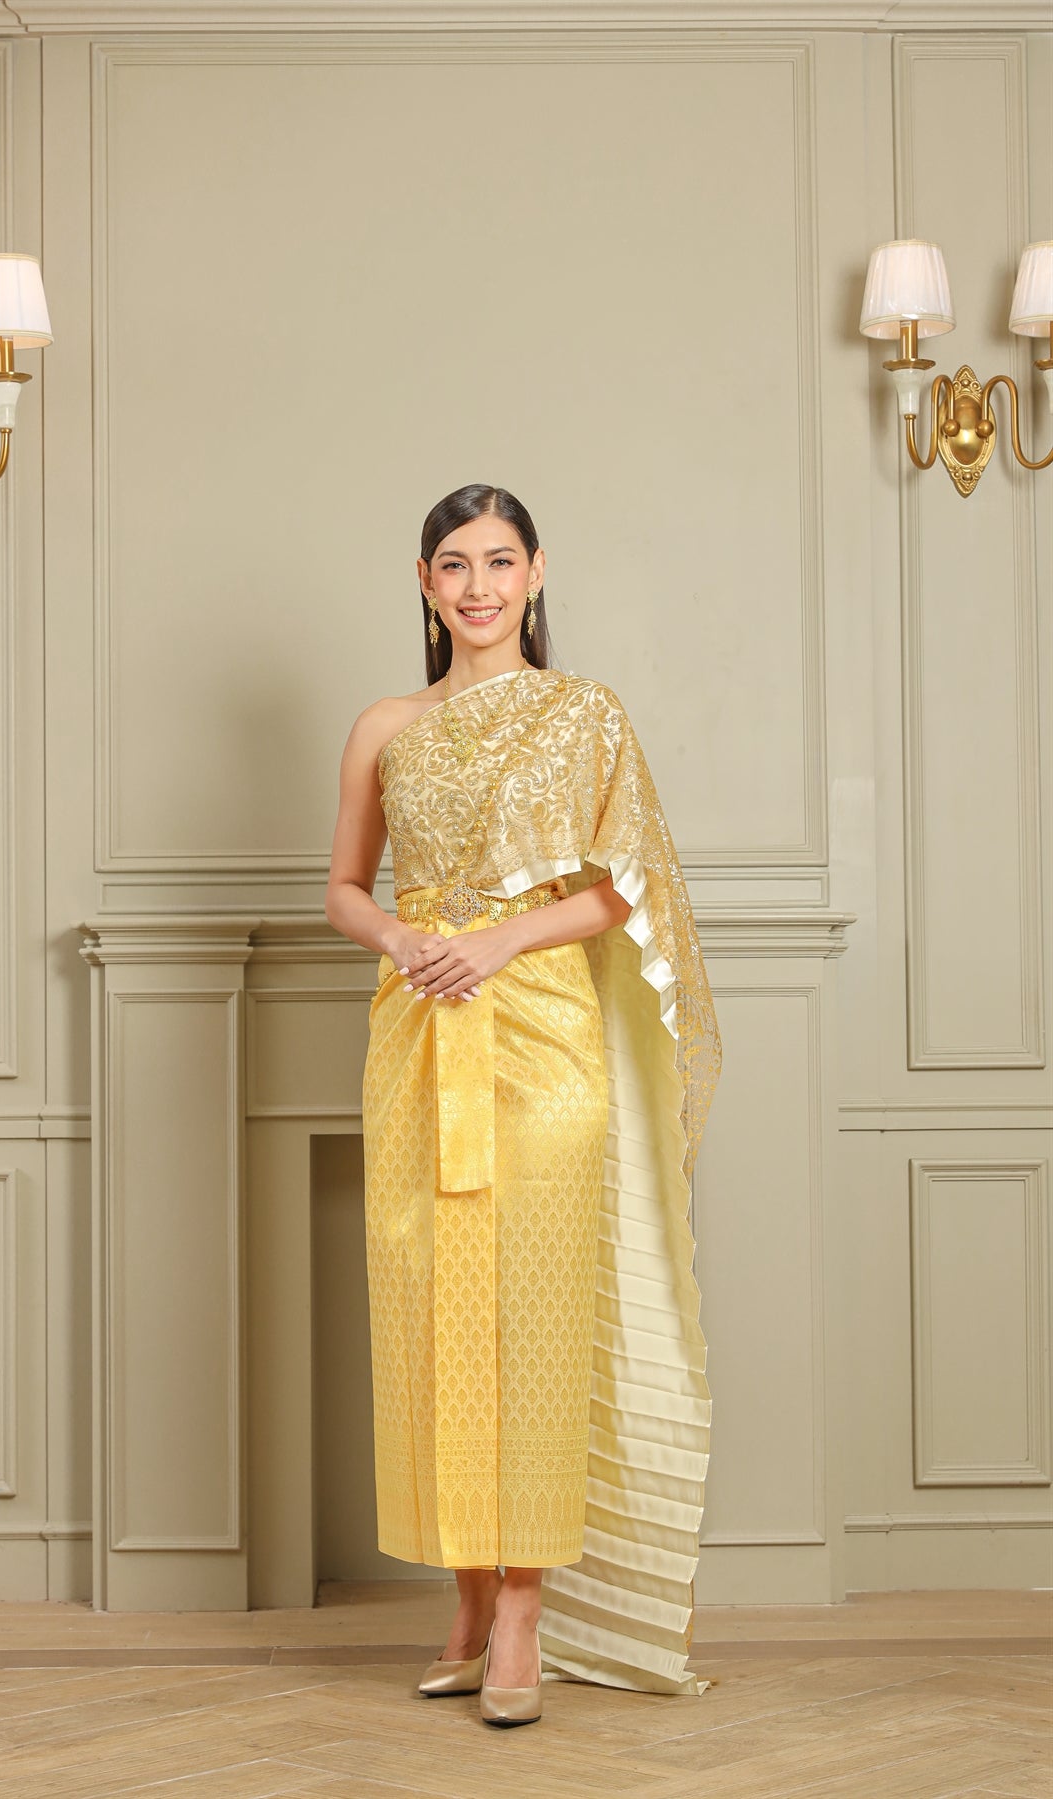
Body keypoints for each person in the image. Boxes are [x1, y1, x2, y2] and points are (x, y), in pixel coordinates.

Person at [325, 483, 721, 1727]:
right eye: (455, 564)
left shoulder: (584, 713)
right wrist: (398, 933)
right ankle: (463, 1592)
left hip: (543, 1035)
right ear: (427, 583)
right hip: (417, 1032)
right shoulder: (386, 723)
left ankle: (525, 1618)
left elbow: (626, 887)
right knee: (435, 1316)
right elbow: (341, 882)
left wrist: (494, 946)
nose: (480, 584)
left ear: (537, 573)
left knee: (536, 1317)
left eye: (502, 560)